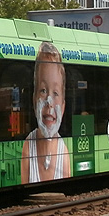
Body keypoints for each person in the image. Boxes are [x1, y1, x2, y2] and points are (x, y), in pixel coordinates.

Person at [21, 41, 71, 183]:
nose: (49, 101)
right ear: (33, 99)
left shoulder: (64, 152)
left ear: (63, 106)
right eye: (43, 91)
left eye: (55, 93)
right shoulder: (28, 146)